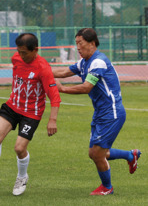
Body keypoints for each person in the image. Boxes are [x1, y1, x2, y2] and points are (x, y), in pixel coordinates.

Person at [52, 28, 141, 195]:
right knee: (97, 152)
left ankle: (107, 188)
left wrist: (62, 89)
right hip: (101, 112)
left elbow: (87, 87)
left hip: (111, 113)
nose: (77, 47)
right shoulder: (85, 61)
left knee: (96, 153)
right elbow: (64, 72)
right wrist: (39, 73)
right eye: (76, 43)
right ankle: (131, 155)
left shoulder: (98, 62)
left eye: (80, 43)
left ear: (92, 43)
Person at [0, 33, 61, 196]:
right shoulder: (16, 58)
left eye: (25, 52)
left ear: (35, 50)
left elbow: (55, 96)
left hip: (32, 112)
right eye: (19, 51)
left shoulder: (43, 68)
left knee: (19, 148)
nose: (21, 55)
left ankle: (22, 177)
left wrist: (52, 120)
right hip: (12, 106)